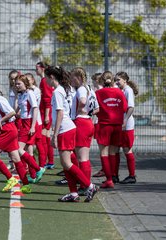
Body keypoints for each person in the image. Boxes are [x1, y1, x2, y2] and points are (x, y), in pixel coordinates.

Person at [45, 65, 98, 202]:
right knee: (66, 163)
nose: (44, 80)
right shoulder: (66, 89)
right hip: (70, 126)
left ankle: (89, 186)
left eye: (46, 77)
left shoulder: (58, 91)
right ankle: (73, 193)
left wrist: (54, 134)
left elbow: (60, 112)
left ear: (51, 77)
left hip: (65, 128)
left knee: (67, 163)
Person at [0, 80, 32, 193]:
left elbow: (12, 113)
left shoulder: (0, 100)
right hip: (8, 130)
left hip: (8, 131)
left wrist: (1, 120)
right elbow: (0, 123)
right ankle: (26, 185)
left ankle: (11, 179)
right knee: (16, 158)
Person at [95, 71, 127, 188]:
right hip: (117, 125)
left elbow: (95, 108)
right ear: (113, 81)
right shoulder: (119, 92)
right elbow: (124, 108)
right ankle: (114, 175)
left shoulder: (98, 93)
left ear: (102, 81)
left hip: (104, 125)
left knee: (104, 152)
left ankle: (109, 179)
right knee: (114, 151)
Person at [70, 67, 99, 195]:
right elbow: (97, 108)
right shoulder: (90, 89)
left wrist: (79, 111)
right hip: (88, 122)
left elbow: (82, 101)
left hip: (81, 122)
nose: (71, 80)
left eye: (73, 77)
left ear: (79, 78)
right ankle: (85, 183)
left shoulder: (82, 89)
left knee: (82, 158)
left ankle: (85, 185)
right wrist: (89, 111)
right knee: (84, 157)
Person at [15, 74, 46, 183]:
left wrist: (33, 126)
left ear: (25, 84)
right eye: (16, 83)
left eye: (19, 83)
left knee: (18, 149)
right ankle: (33, 176)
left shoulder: (30, 93)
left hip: (29, 123)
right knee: (28, 150)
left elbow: (35, 109)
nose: (17, 85)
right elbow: (18, 109)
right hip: (23, 122)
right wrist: (15, 114)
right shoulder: (21, 94)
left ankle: (38, 169)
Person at [115, 71, 138, 184]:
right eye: (116, 80)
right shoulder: (121, 90)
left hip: (127, 125)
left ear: (124, 80)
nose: (117, 82)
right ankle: (115, 175)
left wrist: (125, 120)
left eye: (118, 79)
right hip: (120, 124)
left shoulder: (128, 90)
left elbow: (131, 107)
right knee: (117, 149)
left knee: (127, 149)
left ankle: (132, 176)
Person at [36, 62, 55, 169]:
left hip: (45, 113)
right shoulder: (43, 81)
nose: (36, 70)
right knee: (46, 137)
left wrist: (47, 115)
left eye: (37, 68)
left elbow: (47, 99)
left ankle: (42, 164)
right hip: (45, 112)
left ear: (42, 69)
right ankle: (50, 162)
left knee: (43, 139)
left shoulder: (44, 81)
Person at [25, 73, 46, 168]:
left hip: (36, 120)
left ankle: (41, 166)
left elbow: (35, 106)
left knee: (37, 144)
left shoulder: (35, 90)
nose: (27, 82)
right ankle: (32, 166)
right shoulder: (26, 91)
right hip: (29, 120)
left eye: (28, 80)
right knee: (29, 145)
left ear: (33, 80)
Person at [6, 70, 20, 171]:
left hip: (18, 118)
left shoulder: (20, 89)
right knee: (10, 141)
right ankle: (11, 161)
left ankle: (19, 163)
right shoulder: (11, 88)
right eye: (11, 79)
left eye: (15, 78)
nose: (13, 80)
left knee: (17, 142)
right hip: (12, 117)